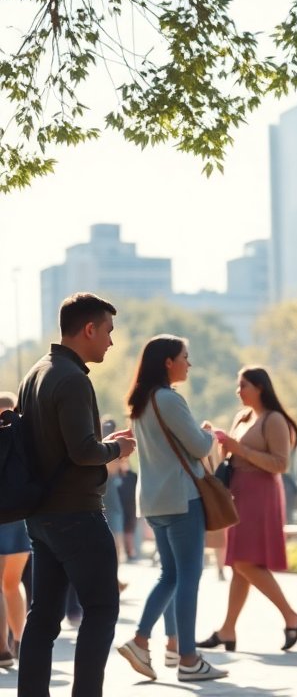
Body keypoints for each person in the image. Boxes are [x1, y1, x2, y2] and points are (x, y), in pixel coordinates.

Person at [16, 292, 136, 697]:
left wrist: (100, 442)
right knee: (102, 608)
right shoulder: (71, 378)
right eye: (107, 331)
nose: (110, 341)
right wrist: (116, 449)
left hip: (42, 514)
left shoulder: (36, 372)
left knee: (43, 618)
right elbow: (83, 451)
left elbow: (59, 445)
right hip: (77, 514)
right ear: (88, 329)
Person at [116, 336, 227, 682]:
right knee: (188, 578)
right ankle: (188, 658)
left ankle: (143, 641)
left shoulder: (141, 401)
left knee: (171, 575)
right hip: (181, 499)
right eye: (184, 357)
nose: (188, 364)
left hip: (152, 501)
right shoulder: (169, 399)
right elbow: (197, 446)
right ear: (167, 362)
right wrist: (210, 434)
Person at [198, 367, 297, 653]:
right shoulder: (243, 417)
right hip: (239, 493)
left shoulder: (274, 420)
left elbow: (280, 464)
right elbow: (233, 455)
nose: (238, 390)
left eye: (243, 385)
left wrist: (240, 449)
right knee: (239, 563)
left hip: (261, 495)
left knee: (246, 563)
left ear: (259, 387)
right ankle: (227, 630)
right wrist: (219, 441)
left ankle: (291, 617)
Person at [0, 390, 31, 669]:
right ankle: (20, 642)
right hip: (21, 518)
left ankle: (2, 649)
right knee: (13, 582)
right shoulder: (23, 438)